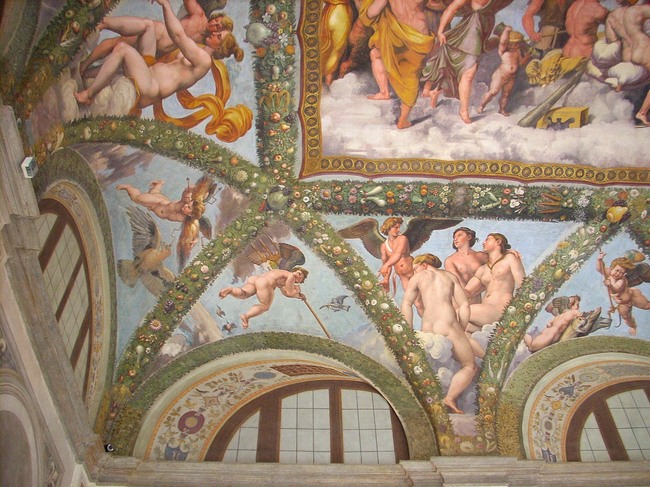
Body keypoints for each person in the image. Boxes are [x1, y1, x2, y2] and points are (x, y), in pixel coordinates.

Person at [74, 0, 221, 109]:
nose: (215, 29)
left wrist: (165, 5)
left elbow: (178, 36)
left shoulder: (203, 59)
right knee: (148, 26)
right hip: (149, 68)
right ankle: (103, 23)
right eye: (217, 23)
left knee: (121, 49)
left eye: (219, 33)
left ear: (220, 47)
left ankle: (88, 94)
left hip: (150, 84)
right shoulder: (199, 29)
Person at [401, 254, 478, 414]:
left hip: (428, 327)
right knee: (469, 366)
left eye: (415, 268)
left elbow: (407, 304)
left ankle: (429, 402)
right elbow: (464, 305)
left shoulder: (417, 278)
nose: (415, 272)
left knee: (429, 366)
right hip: (448, 325)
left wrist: (408, 330)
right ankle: (449, 398)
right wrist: (461, 329)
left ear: (424, 264)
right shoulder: (449, 277)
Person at [79, 0, 219, 76]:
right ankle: (85, 63)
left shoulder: (205, 41)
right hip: (157, 34)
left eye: (218, 27)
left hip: (158, 52)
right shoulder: (198, 14)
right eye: (216, 21)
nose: (215, 25)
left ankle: (86, 74)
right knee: (116, 43)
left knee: (121, 65)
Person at [420, 0, 499, 124]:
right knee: (451, 65)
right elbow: (451, 9)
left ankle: (437, 93)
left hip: (477, 38)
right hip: (463, 36)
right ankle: (463, 110)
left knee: (465, 74)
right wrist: (440, 31)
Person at [364, 0, 435, 128]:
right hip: (417, 34)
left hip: (397, 33)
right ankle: (403, 120)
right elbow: (436, 5)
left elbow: (371, 13)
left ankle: (384, 92)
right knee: (411, 73)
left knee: (376, 54)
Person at [464, 233, 526, 332]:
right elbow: (468, 291)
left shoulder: (510, 259)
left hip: (501, 309)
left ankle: (486, 332)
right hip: (485, 311)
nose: (483, 243)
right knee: (457, 324)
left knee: (461, 313)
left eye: (487, 239)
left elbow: (523, 284)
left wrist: (519, 310)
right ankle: (485, 332)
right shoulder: (482, 269)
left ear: (498, 242)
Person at [604, 0, 650, 125]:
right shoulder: (638, 10)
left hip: (630, 53)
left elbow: (612, 41)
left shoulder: (614, 16)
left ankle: (631, 116)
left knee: (632, 90)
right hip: (644, 47)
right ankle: (642, 113)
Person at [218, 267, 309, 328]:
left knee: (244, 293)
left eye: (301, 278)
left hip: (255, 279)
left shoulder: (283, 275)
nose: (299, 276)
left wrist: (298, 296)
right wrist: (296, 291)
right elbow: (289, 292)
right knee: (265, 306)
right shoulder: (291, 276)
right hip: (264, 283)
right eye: (299, 273)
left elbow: (285, 292)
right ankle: (246, 316)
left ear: (299, 282)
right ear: (294, 271)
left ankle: (230, 290)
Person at [477, 26, 530, 116]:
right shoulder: (503, 51)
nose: (513, 47)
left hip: (511, 77)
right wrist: (506, 31)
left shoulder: (517, 51)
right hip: (500, 75)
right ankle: (482, 105)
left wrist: (526, 58)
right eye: (510, 44)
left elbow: (520, 63)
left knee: (506, 94)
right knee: (493, 92)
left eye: (515, 44)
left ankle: (502, 109)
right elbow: (502, 42)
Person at [596, 251, 650, 335]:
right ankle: (633, 326)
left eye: (621, 272)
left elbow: (616, 289)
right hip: (623, 303)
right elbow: (600, 268)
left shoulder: (622, 280)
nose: (618, 274)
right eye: (617, 270)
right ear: (612, 268)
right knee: (626, 317)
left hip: (632, 296)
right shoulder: (608, 273)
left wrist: (610, 286)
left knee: (647, 306)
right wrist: (599, 260)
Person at [117, 180, 195, 223]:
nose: (186, 205)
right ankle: (128, 187)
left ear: (191, 214)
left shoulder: (186, 219)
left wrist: (195, 239)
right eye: (188, 205)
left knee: (154, 193)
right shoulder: (184, 202)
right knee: (136, 198)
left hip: (156, 205)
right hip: (156, 201)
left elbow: (195, 229)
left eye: (188, 207)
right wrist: (196, 188)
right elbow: (187, 190)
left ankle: (159, 184)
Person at [320, 0, 354, 86]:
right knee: (336, 52)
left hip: (328, 13)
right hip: (340, 15)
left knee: (327, 48)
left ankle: (325, 81)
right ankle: (328, 82)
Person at [379, 217, 414, 294]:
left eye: (399, 227)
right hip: (402, 276)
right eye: (396, 227)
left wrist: (386, 265)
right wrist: (386, 279)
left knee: (420, 296)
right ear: (388, 228)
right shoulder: (383, 246)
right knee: (411, 297)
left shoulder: (402, 239)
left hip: (413, 272)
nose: (398, 230)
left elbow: (398, 254)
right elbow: (386, 266)